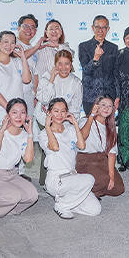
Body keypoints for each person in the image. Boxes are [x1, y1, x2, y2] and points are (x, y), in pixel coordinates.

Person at [0, 98, 38, 224]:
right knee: (13, 195)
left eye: (22, 112)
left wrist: (30, 134)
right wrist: (2, 130)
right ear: (7, 115)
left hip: (11, 175)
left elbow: (28, 159)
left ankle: (5, 210)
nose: (19, 116)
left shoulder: (24, 135)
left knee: (32, 195)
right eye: (14, 112)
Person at [39, 98, 101, 219]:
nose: (60, 114)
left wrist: (75, 124)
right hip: (57, 180)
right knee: (89, 179)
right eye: (56, 111)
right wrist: (47, 127)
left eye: (63, 111)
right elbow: (55, 147)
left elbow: (82, 145)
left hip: (73, 178)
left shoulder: (69, 129)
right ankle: (61, 205)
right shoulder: (43, 134)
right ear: (49, 113)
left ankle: (66, 201)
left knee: (95, 209)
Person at [34, 49, 83, 187]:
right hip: (45, 117)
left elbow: (76, 107)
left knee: (64, 148)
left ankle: (66, 176)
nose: (63, 67)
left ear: (71, 64)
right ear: (55, 64)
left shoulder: (76, 82)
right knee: (49, 148)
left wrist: (69, 123)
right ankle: (46, 181)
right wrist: (51, 80)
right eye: (60, 64)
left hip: (64, 119)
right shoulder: (46, 77)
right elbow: (43, 99)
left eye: (67, 64)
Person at [78, 95, 125, 198]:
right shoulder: (84, 121)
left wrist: (111, 177)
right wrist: (91, 116)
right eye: (103, 105)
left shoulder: (110, 128)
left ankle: (92, 189)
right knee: (103, 180)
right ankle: (84, 193)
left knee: (118, 188)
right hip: (86, 159)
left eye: (110, 106)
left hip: (102, 160)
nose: (106, 108)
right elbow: (82, 137)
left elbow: (112, 154)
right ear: (96, 106)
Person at [0, 31, 32, 128]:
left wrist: (23, 57)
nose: (9, 45)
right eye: (6, 42)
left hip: (17, 116)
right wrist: (10, 110)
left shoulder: (17, 61)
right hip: (1, 115)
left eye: (12, 42)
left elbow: (27, 80)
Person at [78, 15, 118, 115]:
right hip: (90, 97)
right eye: (97, 27)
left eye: (104, 27)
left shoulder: (113, 48)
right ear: (93, 28)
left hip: (109, 96)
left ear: (108, 29)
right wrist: (95, 58)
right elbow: (86, 70)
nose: (100, 31)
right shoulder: (84, 46)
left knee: (108, 124)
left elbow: (116, 73)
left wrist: (118, 95)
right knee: (90, 124)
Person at [15, 14, 39, 119]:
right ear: (18, 28)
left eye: (32, 27)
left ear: (36, 31)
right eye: (25, 26)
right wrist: (36, 47)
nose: (29, 29)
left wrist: (35, 95)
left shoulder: (35, 50)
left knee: (28, 124)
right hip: (15, 92)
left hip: (29, 94)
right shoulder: (12, 43)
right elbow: (19, 56)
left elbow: (36, 74)